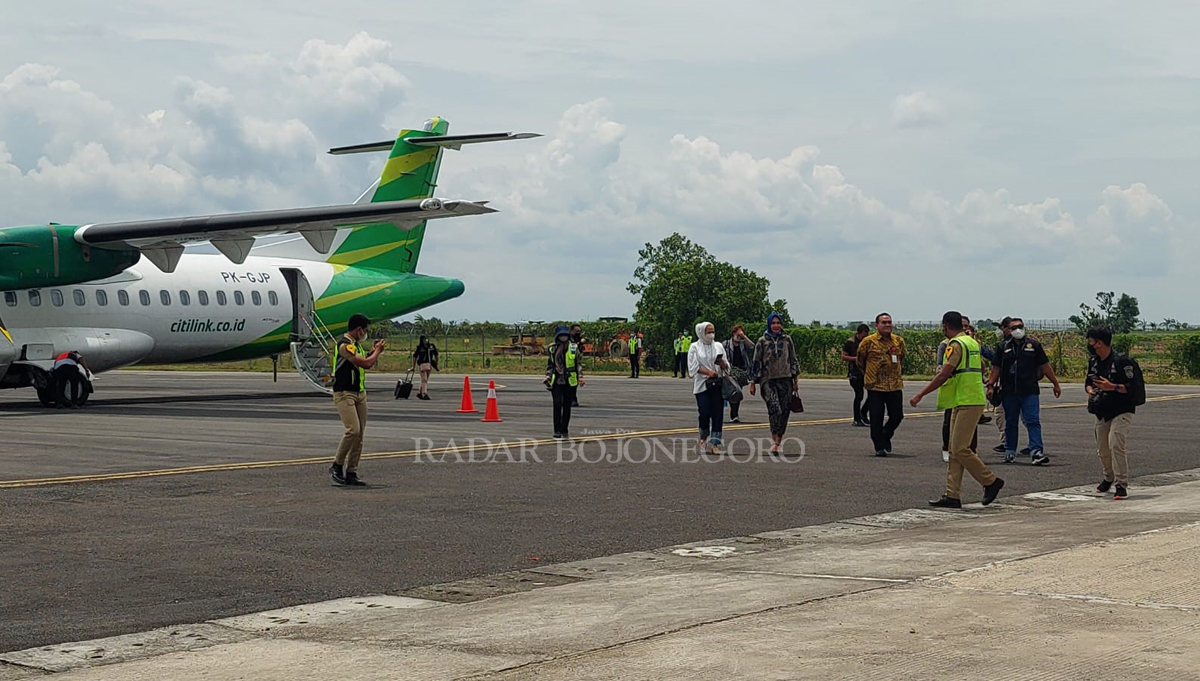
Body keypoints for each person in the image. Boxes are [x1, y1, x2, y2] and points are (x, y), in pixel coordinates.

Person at [911, 311, 1005, 508]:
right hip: (966, 399)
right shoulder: (971, 342)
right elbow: (981, 367)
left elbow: (944, 374)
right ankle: (952, 495)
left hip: (966, 400)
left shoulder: (954, 345)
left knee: (961, 449)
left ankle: (990, 481)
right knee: (955, 450)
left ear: (945, 325)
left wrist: (921, 393)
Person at [986, 317, 1062, 465]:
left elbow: (1045, 365)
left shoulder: (1034, 345)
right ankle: (1010, 452)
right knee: (1011, 422)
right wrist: (990, 385)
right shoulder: (1003, 347)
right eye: (1013, 327)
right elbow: (996, 368)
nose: (1017, 330)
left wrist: (1055, 383)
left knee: (1032, 420)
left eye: (1020, 326)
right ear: (1008, 330)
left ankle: (1036, 451)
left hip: (1029, 391)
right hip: (1009, 392)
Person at [330, 314, 385, 486]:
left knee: (360, 434)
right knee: (352, 430)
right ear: (358, 329)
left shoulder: (357, 346)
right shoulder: (344, 346)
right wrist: (377, 352)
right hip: (345, 393)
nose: (365, 333)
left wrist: (372, 352)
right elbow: (366, 364)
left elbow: (364, 360)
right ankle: (337, 465)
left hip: (359, 392)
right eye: (365, 330)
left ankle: (351, 471)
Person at [1086, 327, 1141, 500]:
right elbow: (1088, 381)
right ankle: (1108, 477)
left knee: (1116, 443)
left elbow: (1136, 388)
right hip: (1102, 410)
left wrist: (1113, 387)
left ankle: (1121, 484)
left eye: (1091, 342)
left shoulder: (1123, 362)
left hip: (1122, 408)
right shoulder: (1094, 361)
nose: (1090, 345)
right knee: (1102, 448)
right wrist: (1090, 390)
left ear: (1100, 342)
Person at [749, 313, 800, 455]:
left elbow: (793, 359)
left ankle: (778, 441)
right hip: (768, 380)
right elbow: (756, 362)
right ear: (769, 324)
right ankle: (773, 440)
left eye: (778, 323)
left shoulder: (787, 340)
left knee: (784, 411)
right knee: (774, 408)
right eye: (773, 323)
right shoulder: (762, 341)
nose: (776, 326)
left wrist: (795, 380)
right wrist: (753, 382)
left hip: (785, 379)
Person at [857, 313, 906, 456]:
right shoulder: (868, 341)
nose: (887, 325)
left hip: (894, 384)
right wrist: (869, 373)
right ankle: (879, 446)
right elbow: (860, 360)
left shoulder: (898, 341)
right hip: (875, 385)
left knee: (897, 416)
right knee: (876, 417)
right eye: (884, 322)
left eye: (889, 322)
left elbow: (901, 356)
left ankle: (886, 435)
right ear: (876, 325)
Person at [688, 321, 727, 454]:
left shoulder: (718, 346)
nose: (711, 334)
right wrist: (708, 372)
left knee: (718, 414)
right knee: (704, 413)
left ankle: (715, 443)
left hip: (717, 384)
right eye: (708, 332)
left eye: (712, 331)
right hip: (702, 385)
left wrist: (722, 364)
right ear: (701, 332)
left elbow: (727, 365)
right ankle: (703, 437)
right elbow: (692, 368)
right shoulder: (694, 347)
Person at [544, 325, 584, 439]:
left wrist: (580, 377)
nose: (563, 337)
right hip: (556, 380)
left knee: (567, 405)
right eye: (561, 335)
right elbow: (550, 365)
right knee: (557, 404)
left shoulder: (573, 347)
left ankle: (564, 429)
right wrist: (547, 376)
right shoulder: (553, 349)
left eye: (565, 335)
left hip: (570, 380)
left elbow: (578, 363)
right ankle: (557, 430)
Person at [722, 325, 755, 423]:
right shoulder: (726, 344)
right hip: (730, 372)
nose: (739, 336)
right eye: (737, 334)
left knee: (737, 392)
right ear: (733, 333)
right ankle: (734, 415)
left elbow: (752, 347)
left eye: (741, 334)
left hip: (742, 372)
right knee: (733, 392)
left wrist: (744, 337)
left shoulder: (743, 344)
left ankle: (734, 414)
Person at [841, 324, 871, 427]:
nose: (865, 338)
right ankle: (856, 419)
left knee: (873, 394)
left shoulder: (867, 342)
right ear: (859, 333)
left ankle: (863, 413)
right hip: (855, 373)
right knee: (859, 395)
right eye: (864, 335)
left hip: (866, 372)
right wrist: (856, 359)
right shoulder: (851, 342)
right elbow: (844, 356)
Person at [410, 335, 439, 400]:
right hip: (422, 364)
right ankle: (424, 393)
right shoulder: (419, 347)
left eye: (426, 339)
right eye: (424, 339)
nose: (425, 341)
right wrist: (413, 366)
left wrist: (436, 364)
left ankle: (420, 393)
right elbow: (415, 356)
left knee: (425, 380)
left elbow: (436, 355)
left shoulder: (431, 346)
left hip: (429, 364)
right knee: (424, 380)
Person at [569, 324, 584, 407]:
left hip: (574, 367)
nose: (578, 333)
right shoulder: (568, 341)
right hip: (565, 367)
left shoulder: (577, 341)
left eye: (579, 331)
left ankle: (573, 399)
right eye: (576, 331)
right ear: (571, 331)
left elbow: (578, 359)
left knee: (573, 385)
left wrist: (580, 375)